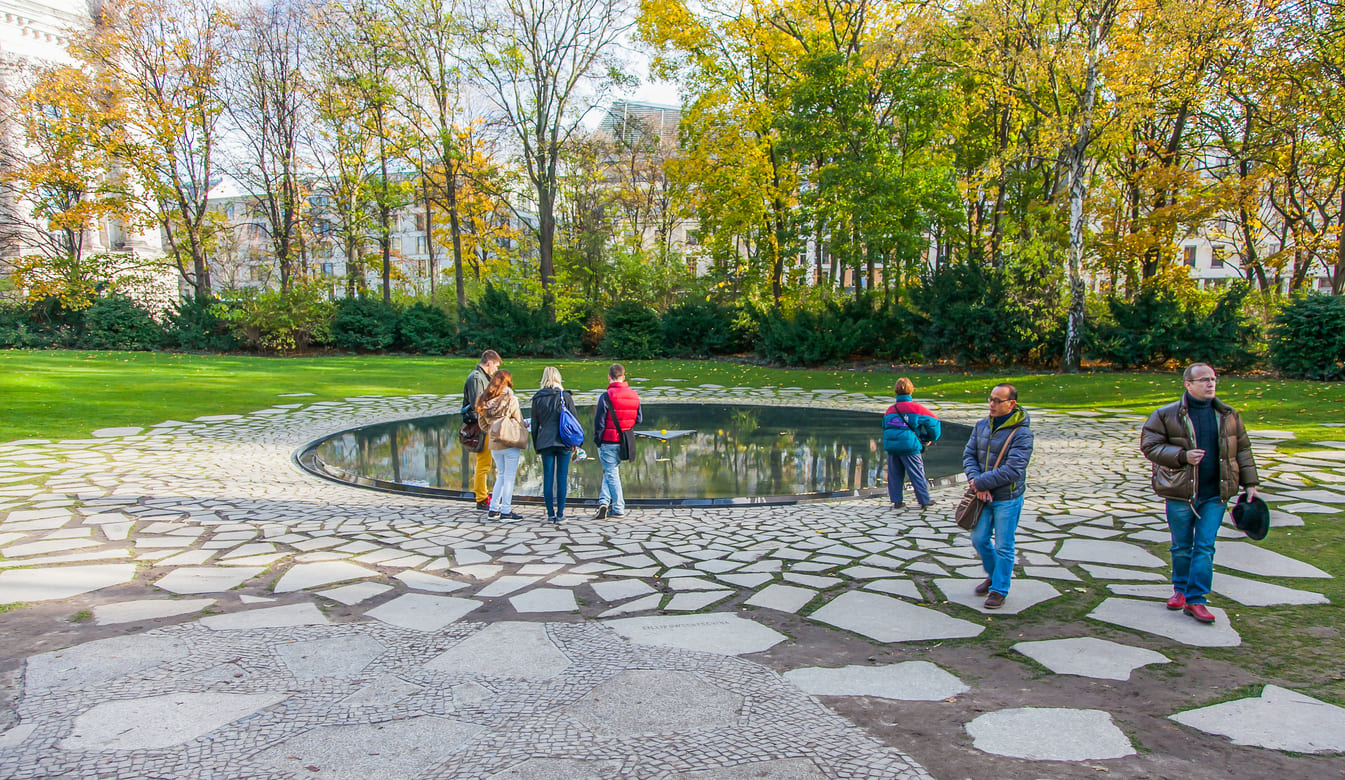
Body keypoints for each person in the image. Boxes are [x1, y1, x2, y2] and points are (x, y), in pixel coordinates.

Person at [1140, 362, 1259, 624]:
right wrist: (1182, 456)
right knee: (1181, 547)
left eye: (1213, 379)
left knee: (1204, 547)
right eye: (1204, 380)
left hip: (1215, 494)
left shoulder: (1228, 415)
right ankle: (1180, 590)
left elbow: (1243, 450)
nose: (1210, 384)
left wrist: (1250, 482)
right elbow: (1149, 446)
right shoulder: (1165, 415)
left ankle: (1197, 600)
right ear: (1188, 385)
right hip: (1180, 493)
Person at [963, 383, 1035, 609]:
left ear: (1011, 404)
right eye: (990, 399)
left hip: (1007, 497)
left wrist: (981, 482)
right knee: (979, 538)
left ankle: (999, 589)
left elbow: (1014, 469)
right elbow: (969, 455)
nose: (991, 404)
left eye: (997, 400)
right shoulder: (981, 426)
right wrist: (976, 482)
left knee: (1004, 545)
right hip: (982, 496)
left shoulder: (1022, 434)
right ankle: (995, 575)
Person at [882, 377, 943, 510]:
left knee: (894, 474)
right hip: (910, 446)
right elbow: (934, 423)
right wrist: (928, 437)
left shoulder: (890, 410)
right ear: (911, 390)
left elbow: (884, 425)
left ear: (896, 391)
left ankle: (897, 501)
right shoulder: (916, 409)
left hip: (892, 446)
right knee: (916, 472)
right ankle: (923, 500)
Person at [592, 363, 641, 520]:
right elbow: (639, 419)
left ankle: (619, 507)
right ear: (623, 376)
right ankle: (604, 502)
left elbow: (599, 423)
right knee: (610, 471)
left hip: (608, 441)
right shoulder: (634, 395)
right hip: (625, 441)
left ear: (609, 377)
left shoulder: (606, 396)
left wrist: (597, 440)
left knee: (611, 473)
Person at [530, 366, 580, 524]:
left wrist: (536, 444)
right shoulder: (565, 396)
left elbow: (534, 424)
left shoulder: (537, 398)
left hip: (545, 441)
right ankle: (561, 514)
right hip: (564, 441)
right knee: (562, 478)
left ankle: (550, 514)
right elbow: (574, 421)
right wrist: (576, 443)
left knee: (548, 477)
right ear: (558, 378)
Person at [476, 369, 525, 521]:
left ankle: (493, 509)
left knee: (501, 475)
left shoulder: (484, 401)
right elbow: (518, 421)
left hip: (494, 443)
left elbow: (482, 424)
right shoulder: (511, 400)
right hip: (509, 442)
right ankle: (506, 510)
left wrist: (493, 430)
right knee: (509, 477)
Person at [462, 350, 501, 510]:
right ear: (489, 362)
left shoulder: (481, 377)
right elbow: (479, 405)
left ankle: (482, 494)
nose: (496, 370)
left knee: (485, 462)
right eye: (496, 366)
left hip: (484, 425)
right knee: (483, 463)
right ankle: (481, 497)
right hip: (481, 426)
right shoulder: (477, 379)